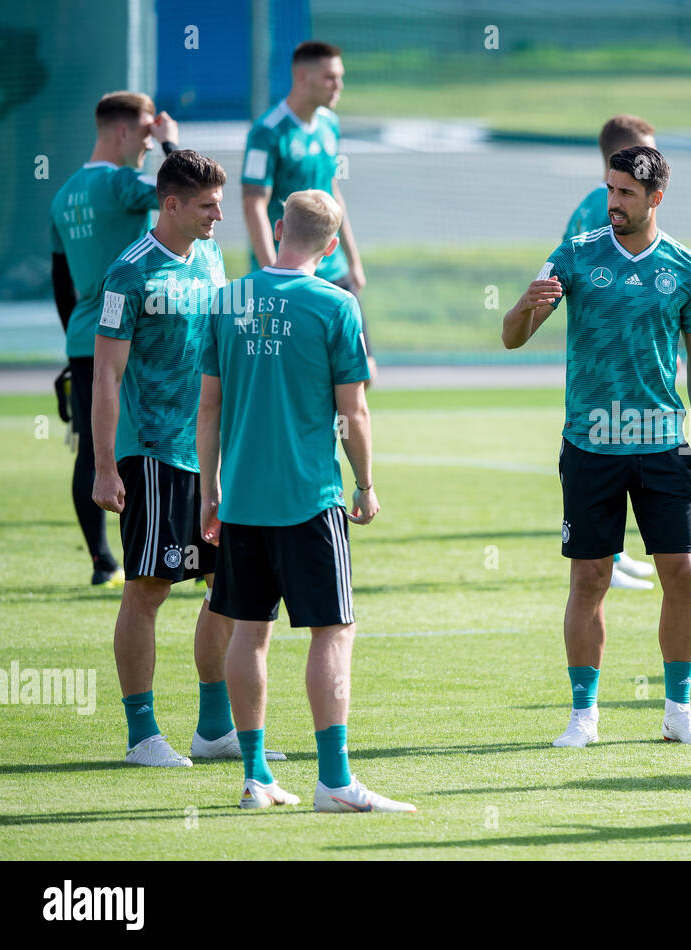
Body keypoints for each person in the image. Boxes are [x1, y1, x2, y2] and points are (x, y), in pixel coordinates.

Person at [198, 190, 412, 811]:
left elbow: (207, 408)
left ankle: (256, 774)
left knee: (249, 630)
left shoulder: (227, 299)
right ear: (331, 244)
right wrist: (366, 485)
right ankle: (335, 780)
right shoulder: (337, 305)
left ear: (277, 226)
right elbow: (355, 410)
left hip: (239, 500)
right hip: (309, 501)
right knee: (333, 631)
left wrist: (210, 490)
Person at [502, 145, 691, 747]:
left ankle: (678, 711)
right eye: (610, 189)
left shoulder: (687, 267)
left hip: (662, 445)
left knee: (682, 573)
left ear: (655, 198)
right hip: (591, 445)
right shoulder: (575, 255)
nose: (613, 202)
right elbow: (512, 339)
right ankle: (583, 716)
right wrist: (524, 306)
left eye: (625, 192)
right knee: (590, 578)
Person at [93, 150, 282, 767]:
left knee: (224, 587)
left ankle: (214, 728)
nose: (219, 215)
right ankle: (142, 735)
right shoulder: (128, 273)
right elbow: (105, 377)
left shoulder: (212, 257)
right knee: (148, 590)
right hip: (152, 455)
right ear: (170, 204)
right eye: (207, 205)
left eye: (220, 202)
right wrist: (103, 464)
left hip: (215, 454)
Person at [49, 91, 178, 586]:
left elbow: (61, 283)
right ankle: (157, 556)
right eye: (146, 131)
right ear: (123, 131)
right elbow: (183, 189)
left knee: (92, 447)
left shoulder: (63, 195)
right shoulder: (124, 183)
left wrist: (75, 345)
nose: (149, 141)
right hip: (133, 334)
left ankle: (103, 559)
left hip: (84, 338)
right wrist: (171, 145)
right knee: (146, 443)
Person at [241, 40, 376, 384]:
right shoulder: (267, 132)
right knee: (294, 375)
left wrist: (354, 261)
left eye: (340, 77)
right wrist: (273, 271)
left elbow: (333, 192)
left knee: (362, 373)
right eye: (331, 77)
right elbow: (253, 201)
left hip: (334, 269)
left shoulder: (330, 125)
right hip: (289, 274)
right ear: (302, 76)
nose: (339, 86)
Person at [564, 114, 660, 592]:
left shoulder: (615, 203)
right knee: (607, 449)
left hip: (625, 354)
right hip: (605, 357)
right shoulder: (600, 207)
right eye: (647, 151)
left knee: (624, 445)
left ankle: (616, 553)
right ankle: (607, 555)